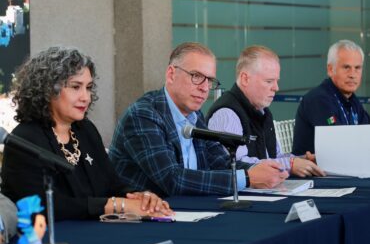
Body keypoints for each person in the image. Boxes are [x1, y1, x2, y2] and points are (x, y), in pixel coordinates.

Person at [1, 46, 173, 221]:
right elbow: (41, 206)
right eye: (76, 87)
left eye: (89, 87)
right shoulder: (25, 139)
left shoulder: (85, 130)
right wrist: (115, 205)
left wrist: (139, 197)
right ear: (48, 90)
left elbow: (113, 184)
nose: (86, 97)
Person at [109, 42, 289, 197]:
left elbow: (219, 161)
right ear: (171, 74)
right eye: (196, 76)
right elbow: (173, 179)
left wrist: (258, 170)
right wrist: (248, 178)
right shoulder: (144, 115)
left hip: (188, 212)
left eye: (209, 80)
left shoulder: (195, 115)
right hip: (141, 221)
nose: (204, 88)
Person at [207, 45, 325, 178]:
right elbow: (236, 164)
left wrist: (302, 161)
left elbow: (274, 156)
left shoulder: (263, 111)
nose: (276, 88)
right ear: (245, 79)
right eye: (269, 81)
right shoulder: (227, 113)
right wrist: (290, 164)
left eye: (276, 81)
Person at [292, 40, 370, 155]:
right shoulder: (318, 99)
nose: (353, 74)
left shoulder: (351, 99)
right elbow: (338, 143)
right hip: (314, 170)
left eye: (357, 68)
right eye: (346, 67)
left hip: (344, 165)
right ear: (330, 69)